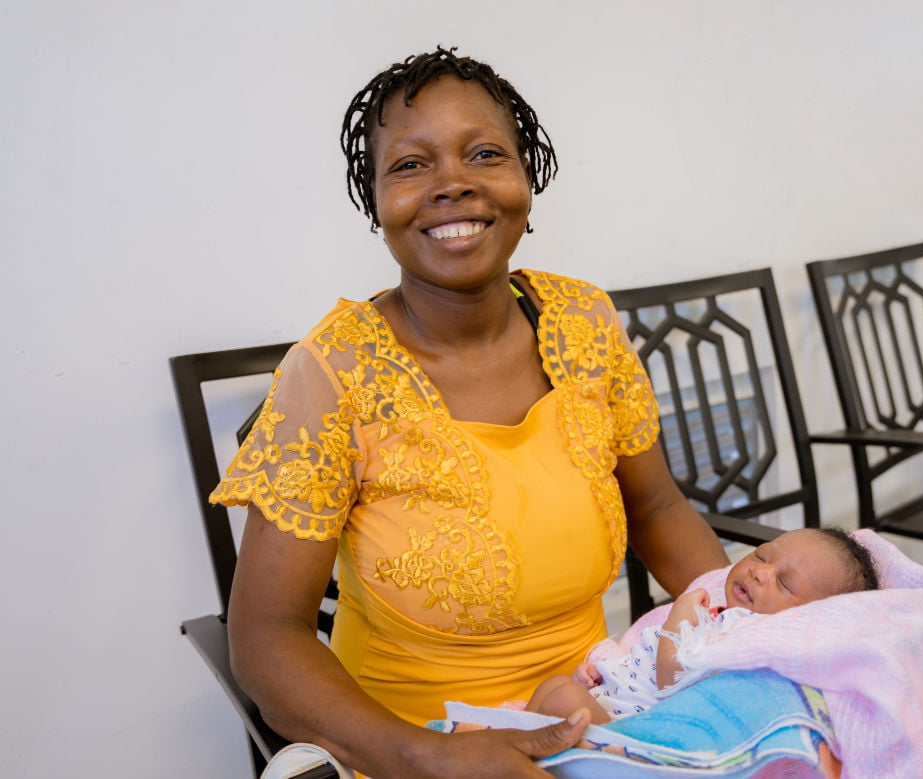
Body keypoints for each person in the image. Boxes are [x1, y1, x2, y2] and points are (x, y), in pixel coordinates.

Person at [210, 47, 730, 778]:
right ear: (375, 201)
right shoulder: (333, 373)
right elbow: (265, 636)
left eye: (484, 153)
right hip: (409, 742)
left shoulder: (585, 322)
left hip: (602, 712)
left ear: (526, 176)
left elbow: (659, 506)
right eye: (410, 165)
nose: (452, 184)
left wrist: (744, 639)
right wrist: (429, 754)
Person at [526, 527, 879, 724]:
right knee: (557, 688)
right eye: (763, 554)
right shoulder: (722, 612)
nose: (759, 570)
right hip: (616, 702)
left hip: (639, 733)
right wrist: (603, 675)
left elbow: (672, 676)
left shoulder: (749, 636)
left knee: (563, 700)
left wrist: (679, 613)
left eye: (784, 583)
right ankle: (519, 742)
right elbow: (644, 663)